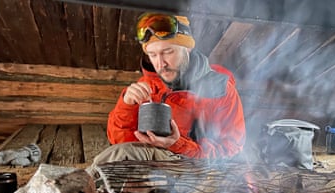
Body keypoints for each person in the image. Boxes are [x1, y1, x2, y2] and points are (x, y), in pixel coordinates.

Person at [89, 12, 246, 173]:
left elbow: (231, 149)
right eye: (153, 55)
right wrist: (126, 106)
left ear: (188, 48)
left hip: (199, 169)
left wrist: (178, 145)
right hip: (154, 167)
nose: (160, 64)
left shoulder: (220, 90)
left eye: (168, 51)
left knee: (121, 156)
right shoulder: (147, 86)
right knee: (114, 159)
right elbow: (121, 141)